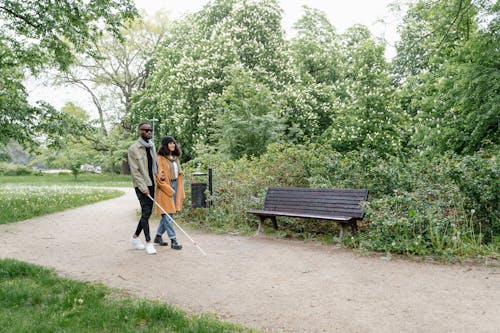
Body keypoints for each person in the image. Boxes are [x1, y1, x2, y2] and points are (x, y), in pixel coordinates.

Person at [128, 122, 157, 255]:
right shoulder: (133, 148)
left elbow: (154, 166)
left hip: (152, 183)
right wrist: (143, 187)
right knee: (145, 212)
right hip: (141, 185)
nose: (149, 132)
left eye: (150, 130)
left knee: (147, 213)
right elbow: (135, 171)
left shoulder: (151, 146)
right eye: (146, 130)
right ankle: (149, 243)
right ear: (140, 131)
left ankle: (134, 238)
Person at [153, 135, 185, 250]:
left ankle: (158, 237)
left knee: (168, 214)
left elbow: (179, 175)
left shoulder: (175, 158)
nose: (172, 145)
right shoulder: (160, 158)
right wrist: (168, 188)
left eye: (173, 143)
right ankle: (173, 240)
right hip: (165, 188)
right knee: (168, 215)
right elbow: (159, 177)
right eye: (170, 143)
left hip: (176, 185)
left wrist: (178, 189)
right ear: (165, 145)